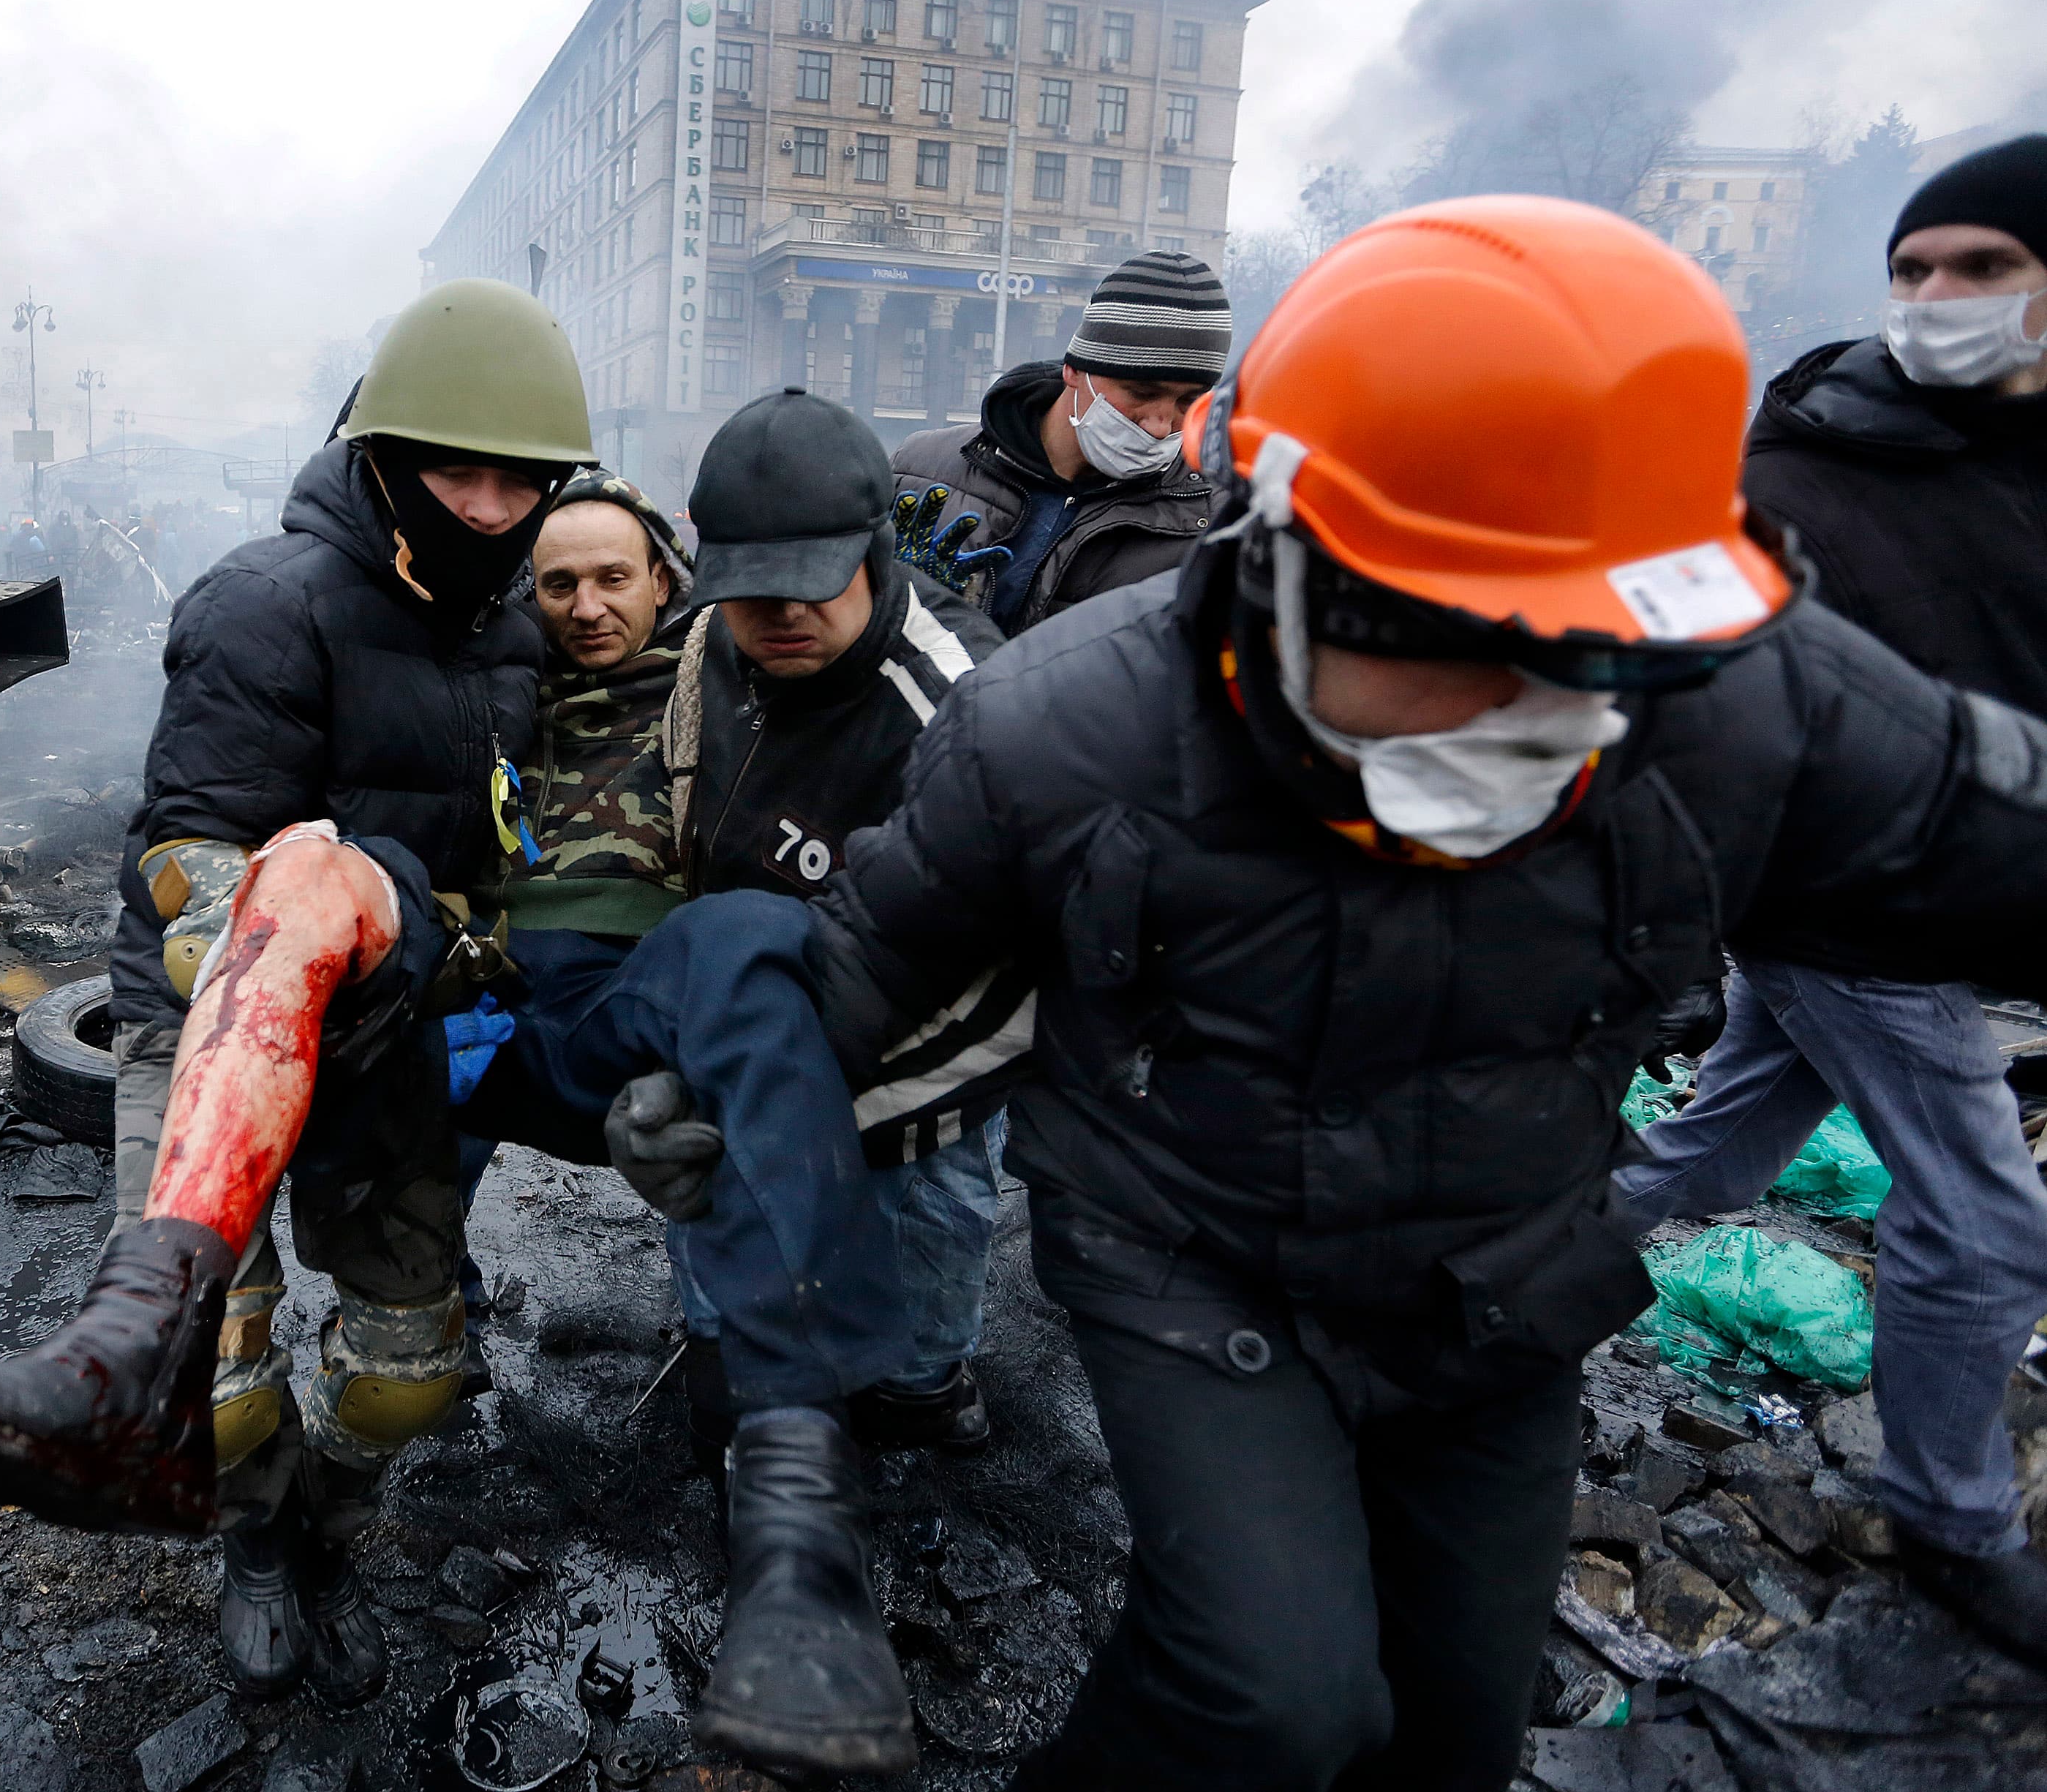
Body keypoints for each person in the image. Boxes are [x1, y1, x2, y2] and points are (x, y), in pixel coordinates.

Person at [795, 194, 2047, 1788]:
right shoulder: (1067, 730)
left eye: (1578, 649)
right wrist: (723, 1090)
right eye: (1442, 628)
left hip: (1501, 1278)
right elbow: (877, 948)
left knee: (1454, 1721)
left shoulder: (1737, 698)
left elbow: (1985, 815)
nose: (1505, 702)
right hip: (1191, 1250)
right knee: (1264, 1696)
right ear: (1285, 552)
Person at [0, 295, 932, 1779]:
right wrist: (301, 934)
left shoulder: (513, 629)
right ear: (377, 455)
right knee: (222, 1379)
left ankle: (330, 1523)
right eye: (450, 469)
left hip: (407, 1011)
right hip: (220, 1014)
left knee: (407, 1369)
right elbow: (188, 854)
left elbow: (631, 723)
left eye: (517, 479)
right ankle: (244, 1531)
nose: (486, 506)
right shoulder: (263, 600)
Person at [1616, 132, 2047, 1665]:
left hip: (1955, 912)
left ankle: (1472, 1277)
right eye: (1915, 267)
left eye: (1982, 266)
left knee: (1711, 1155)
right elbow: (1702, 711)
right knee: (1986, 1225)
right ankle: (1951, 1520)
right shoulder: (1798, 476)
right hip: (1850, 913)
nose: (1937, 296)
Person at [483, 409, 1008, 1464]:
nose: (776, 616)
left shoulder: (968, 721)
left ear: (874, 549)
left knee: (923, 1218)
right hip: (757, 996)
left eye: (808, 582)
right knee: (728, 1240)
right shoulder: (714, 647)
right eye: (746, 587)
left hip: (917, 1047)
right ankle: (734, 1368)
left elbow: (998, 997)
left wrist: (797, 1105)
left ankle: (921, 1391)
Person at [889, 249, 1224, 632]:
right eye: (1141, 393)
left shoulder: (1214, 518)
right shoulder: (919, 468)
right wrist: (895, 604)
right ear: (1075, 369)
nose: (1161, 426)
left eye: (1188, 401)